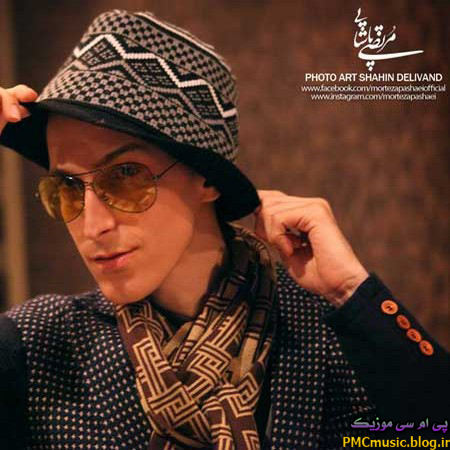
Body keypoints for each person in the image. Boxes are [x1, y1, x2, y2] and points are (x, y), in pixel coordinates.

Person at [0, 9, 448, 450]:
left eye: (126, 176)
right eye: (67, 188)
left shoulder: (330, 333)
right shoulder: (38, 345)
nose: (92, 225)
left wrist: (351, 290)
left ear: (207, 178)